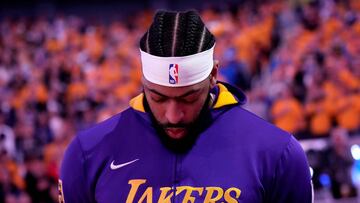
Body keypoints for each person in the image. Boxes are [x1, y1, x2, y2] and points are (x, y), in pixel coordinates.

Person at [59, 10, 313, 203]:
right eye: (158, 98)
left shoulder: (276, 153)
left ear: (214, 75)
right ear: (143, 80)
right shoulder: (88, 154)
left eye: (189, 98)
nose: (173, 116)